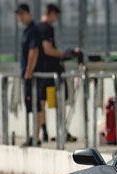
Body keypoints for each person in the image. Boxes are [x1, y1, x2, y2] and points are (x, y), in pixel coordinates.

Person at [38, 3, 78, 142]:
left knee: (42, 101)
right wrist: (63, 55)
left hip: (42, 70)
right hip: (51, 70)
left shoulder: (37, 27)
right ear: (52, 13)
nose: (56, 18)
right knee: (59, 100)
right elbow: (47, 49)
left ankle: (44, 131)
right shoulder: (47, 28)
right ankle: (62, 131)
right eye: (56, 15)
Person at [16, 3, 45, 147]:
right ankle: (33, 136)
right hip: (29, 74)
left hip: (33, 75)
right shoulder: (27, 30)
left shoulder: (33, 30)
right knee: (31, 106)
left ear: (29, 14)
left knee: (36, 106)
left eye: (22, 14)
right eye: (18, 15)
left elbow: (34, 51)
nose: (20, 17)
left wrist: (28, 71)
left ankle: (36, 137)